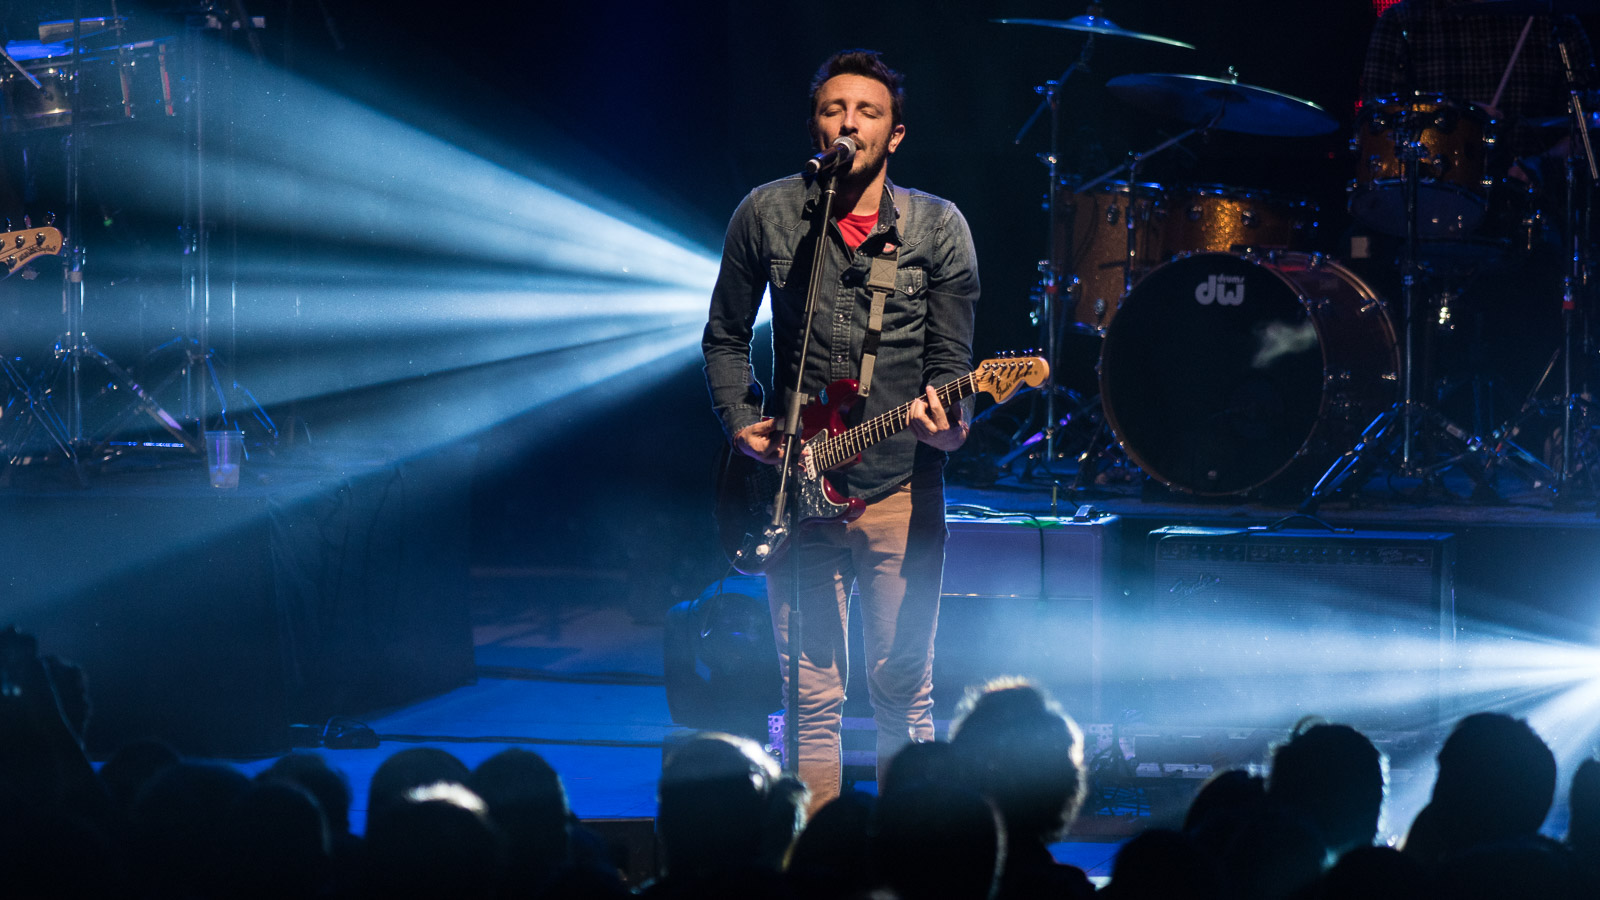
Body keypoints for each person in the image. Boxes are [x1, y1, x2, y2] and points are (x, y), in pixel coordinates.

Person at [702, 48, 979, 812]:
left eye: (868, 111)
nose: (850, 121)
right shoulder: (767, 213)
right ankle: (814, 854)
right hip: (794, 485)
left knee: (903, 688)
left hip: (899, 484)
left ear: (895, 134)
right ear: (815, 127)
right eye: (835, 109)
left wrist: (949, 427)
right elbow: (725, 335)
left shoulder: (938, 227)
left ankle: (910, 847)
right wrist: (741, 423)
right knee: (809, 694)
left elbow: (952, 364)